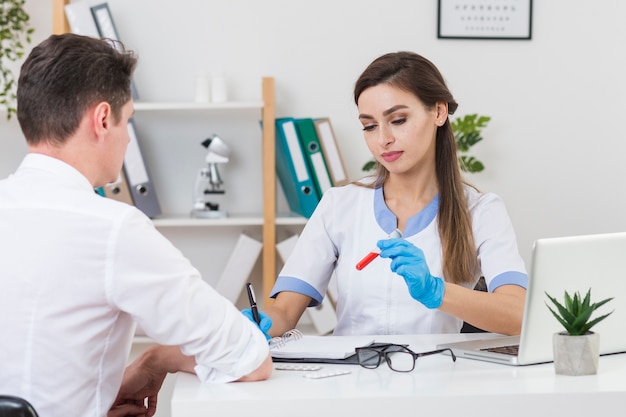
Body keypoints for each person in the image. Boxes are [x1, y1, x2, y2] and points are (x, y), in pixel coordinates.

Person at [0, 33, 272, 417]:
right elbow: (248, 358)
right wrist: (158, 359)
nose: (127, 138)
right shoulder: (113, 229)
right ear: (103, 118)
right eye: (128, 120)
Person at [245, 51, 527, 338]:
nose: (383, 139)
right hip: (350, 376)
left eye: (399, 120)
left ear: (439, 112)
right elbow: (284, 313)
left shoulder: (480, 210)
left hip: (438, 376)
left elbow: (517, 314)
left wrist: (436, 291)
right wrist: (253, 325)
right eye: (369, 126)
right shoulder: (339, 205)